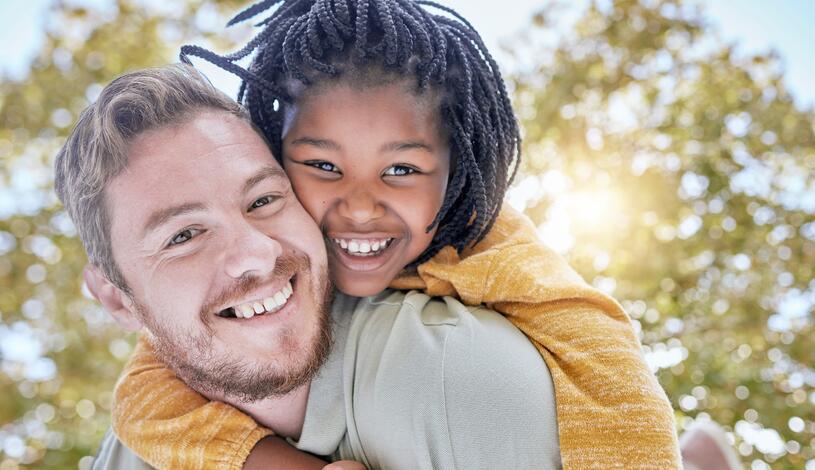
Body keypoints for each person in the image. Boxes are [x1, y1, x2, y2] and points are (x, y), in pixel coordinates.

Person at [103, 0, 682, 468]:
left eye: (401, 170)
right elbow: (141, 396)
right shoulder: (257, 258)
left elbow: (610, 373)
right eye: (323, 166)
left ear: (454, 171)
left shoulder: (493, 246)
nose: (359, 208)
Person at [56, 64, 560, 470]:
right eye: (183, 236)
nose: (255, 253)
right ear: (116, 298)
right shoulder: (129, 452)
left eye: (263, 200)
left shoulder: (456, 378)